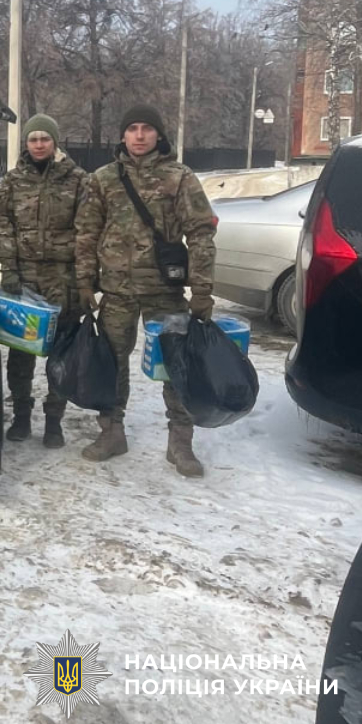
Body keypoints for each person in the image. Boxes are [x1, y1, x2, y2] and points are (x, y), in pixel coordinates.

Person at [74, 104, 217, 477]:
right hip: (117, 290)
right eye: (132, 128)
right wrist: (85, 281)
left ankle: (180, 442)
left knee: (175, 364)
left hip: (164, 291)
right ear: (122, 135)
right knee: (111, 363)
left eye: (147, 129)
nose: (139, 135)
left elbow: (201, 233)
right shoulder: (103, 179)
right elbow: (87, 234)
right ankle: (112, 432)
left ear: (158, 135)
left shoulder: (179, 177)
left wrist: (202, 289)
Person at [0, 114, 88, 448]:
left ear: (55, 142)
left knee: (60, 354)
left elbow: (89, 231)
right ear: (26, 143)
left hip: (64, 279)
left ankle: (53, 420)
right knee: (21, 353)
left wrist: (84, 279)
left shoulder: (77, 180)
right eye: (33, 139)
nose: (39, 145)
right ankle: (21, 415)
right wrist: (10, 269)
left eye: (45, 139)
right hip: (26, 279)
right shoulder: (14, 181)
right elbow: (2, 225)